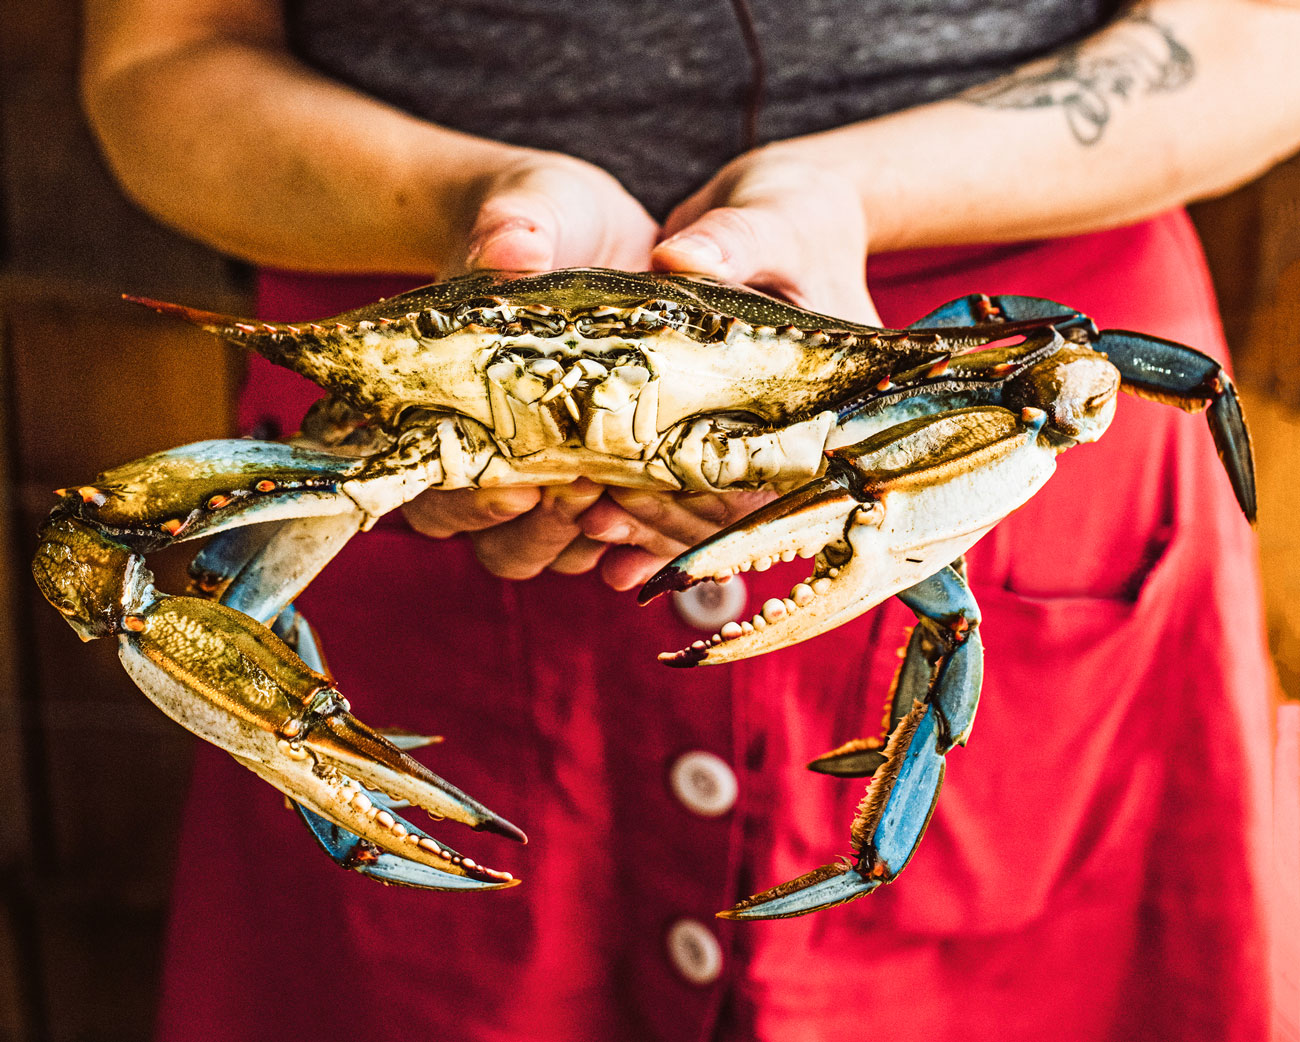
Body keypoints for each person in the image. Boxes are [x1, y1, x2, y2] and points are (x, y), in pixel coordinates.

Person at [79, 0, 1297, 1038]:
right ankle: (332, 770)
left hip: (937, 396)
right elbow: (162, 57)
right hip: (409, 346)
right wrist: (477, 203)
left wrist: (844, 198)